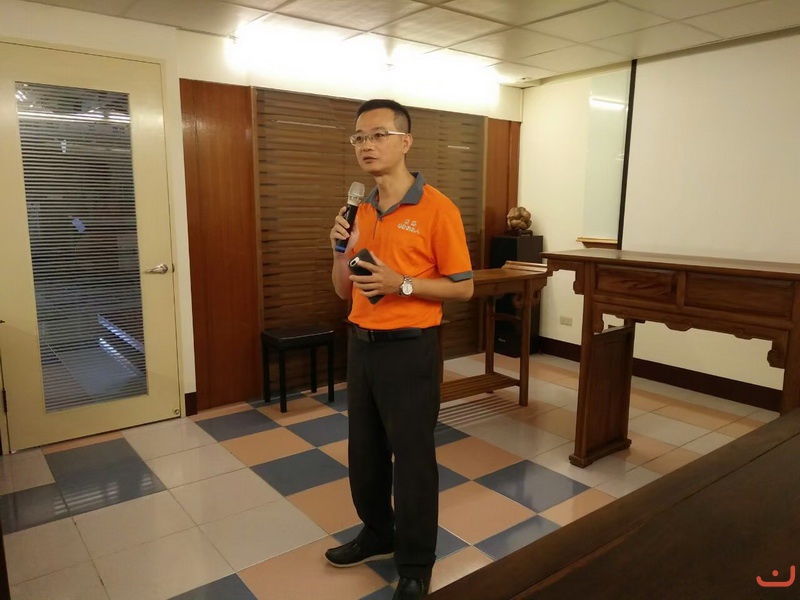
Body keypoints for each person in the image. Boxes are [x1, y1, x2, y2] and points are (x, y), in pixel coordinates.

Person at [326, 99, 474, 600]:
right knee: (364, 453)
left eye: (378, 135)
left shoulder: (437, 208)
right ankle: (377, 532)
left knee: (412, 461)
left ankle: (414, 563)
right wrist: (338, 251)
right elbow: (342, 290)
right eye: (359, 138)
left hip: (411, 350)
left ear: (405, 142)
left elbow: (463, 287)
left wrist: (402, 284)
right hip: (361, 346)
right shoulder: (359, 209)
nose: (366, 145)